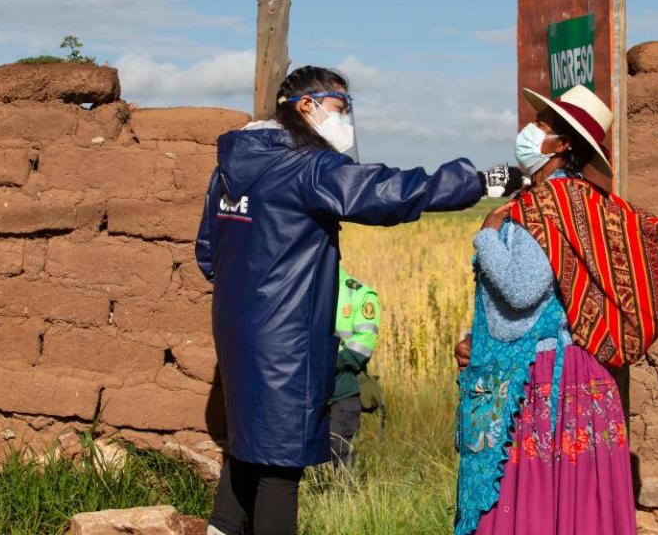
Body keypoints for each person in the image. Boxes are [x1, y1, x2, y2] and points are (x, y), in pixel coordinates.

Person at [195, 65, 523, 535]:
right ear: (307, 105)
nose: (345, 118)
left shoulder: (230, 167)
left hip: (236, 330)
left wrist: (249, 293)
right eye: (340, 107)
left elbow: (208, 252)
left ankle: (222, 527)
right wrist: (479, 182)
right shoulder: (307, 167)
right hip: (286, 337)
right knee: (280, 465)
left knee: (249, 445)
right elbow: (388, 192)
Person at [454, 85, 658, 535]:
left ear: (563, 144)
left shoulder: (544, 207)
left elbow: (522, 289)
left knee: (528, 504)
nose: (528, 132)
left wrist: (488, 235)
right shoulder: (585, 204)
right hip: (582, 376)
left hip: (545, 379)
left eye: (541, 126)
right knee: (574, 508)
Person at [329, 266, 380, 468]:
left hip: (342, 387)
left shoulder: (359, 294)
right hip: (302, 389)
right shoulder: (299, 288)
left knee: (338, 449)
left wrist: (323, 363)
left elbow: (362, 348)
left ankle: (343, 498)